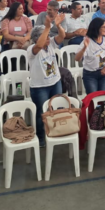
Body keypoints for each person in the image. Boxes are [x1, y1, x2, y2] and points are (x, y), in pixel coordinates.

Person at [28, 14, 66, 146]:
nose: (49, 38)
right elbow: (38, 45)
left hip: (55, 82)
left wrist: (59, 26)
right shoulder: (31, 50)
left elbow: (62, 37)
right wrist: (47, 27)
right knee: (41, 113)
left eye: (49, 35)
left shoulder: (50, 45)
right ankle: (41, 138)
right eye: (46, 35)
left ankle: (56, 132)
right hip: (40, 87)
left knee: (56, 109)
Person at [75, 18, 105, 94]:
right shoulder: (87, 41)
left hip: (104, 73)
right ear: (97, 28)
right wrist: (84, 48)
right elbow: (77, 58)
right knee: (93, 98)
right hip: (90, 75)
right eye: (104, 27)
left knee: (103, 98)